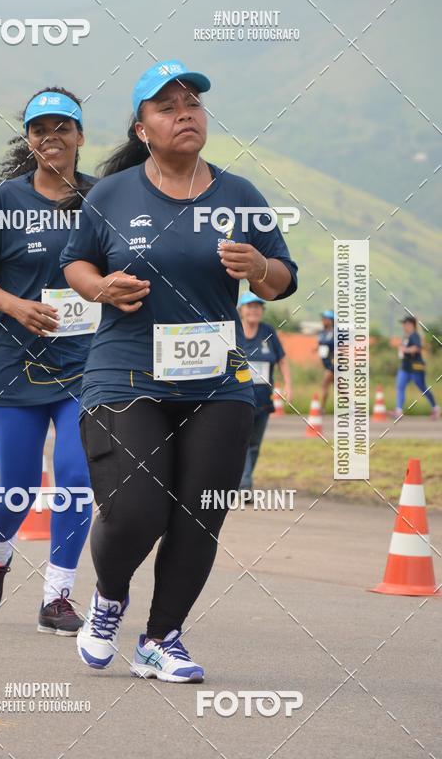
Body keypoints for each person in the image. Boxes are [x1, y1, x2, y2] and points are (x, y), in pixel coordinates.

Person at [60, 59, 298, 682]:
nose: (184, 113)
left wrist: (257, 268)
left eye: (192, 103)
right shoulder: (111, 195)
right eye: (166, 107)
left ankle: (161, 639)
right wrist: (100, 287)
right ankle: (109, 597)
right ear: (142, 129)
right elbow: (75, 266)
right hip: (125, 376)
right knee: (138, 509)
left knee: (201, 510)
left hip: (217, 383)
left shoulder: (240, 194)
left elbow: (281, 280)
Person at [0, 87, 97, 634]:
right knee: (18, 484)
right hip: (14, 367)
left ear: (80, 137)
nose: (52, 138)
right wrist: (15, 306)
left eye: (63, 127)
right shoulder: (5, 203)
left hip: (87, 366)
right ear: (30, 139)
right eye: (40, 129)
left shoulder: (103, 199)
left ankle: (57, 596)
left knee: (75, 474)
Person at [237, 291, 291, 491]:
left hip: (263, 400)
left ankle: (243, 482)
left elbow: (282, 360)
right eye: (250, 306)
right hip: (238, 400)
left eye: (258, 307)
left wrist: (288, 385)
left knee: (254, 445)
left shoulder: (268, 332)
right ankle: (244, 485)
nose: (254, 310)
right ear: (241, 310)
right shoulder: (233, 331)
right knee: (240, 442)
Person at [394, 315, 440, 419]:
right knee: (400, 386)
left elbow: (417, 348)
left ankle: (435, 407)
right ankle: (398, 410)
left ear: (410, 325)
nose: (403, 326)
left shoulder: (414, 335)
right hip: (405, 367)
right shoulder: (406, 336)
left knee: (422, 387)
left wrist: (404, 350)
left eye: (405, 324)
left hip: (415, 367)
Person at [317, 310, 335, 410]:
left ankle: (321, 408)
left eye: (325, 319)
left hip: (333, 363)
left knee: (324, 384)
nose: (323, 320)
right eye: (323, 318)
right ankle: (354, 407)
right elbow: (322, 345)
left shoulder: (335, 332)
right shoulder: (322, 332)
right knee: (340, 388)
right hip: (325, 363)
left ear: (331, 320)